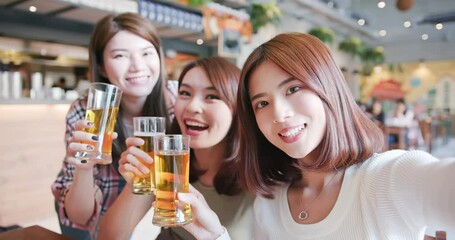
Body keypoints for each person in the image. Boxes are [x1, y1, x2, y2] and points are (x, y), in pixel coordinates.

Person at [178, 33, 455, 239]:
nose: (280, 114)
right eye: (262, 103)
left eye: (293, 89)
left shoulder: (387, 177)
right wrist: (214, 236)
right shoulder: (270, 200)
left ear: (327, 87)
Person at [97, 57, 254, 240]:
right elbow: (108, 237)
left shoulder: (259, 179)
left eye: (212, 96)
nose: (193, 106)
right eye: (185, 93)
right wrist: (135, 183)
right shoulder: (166, 163)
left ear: (238, 108)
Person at [51, 12, 175, 240]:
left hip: (128, 202)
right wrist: (84, 168)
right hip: (83, 198)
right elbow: (79, 216)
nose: (138, 66)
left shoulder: (176, 103)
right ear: (103, 67)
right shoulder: (87, 110)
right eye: (120, 56)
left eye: (147, 53)